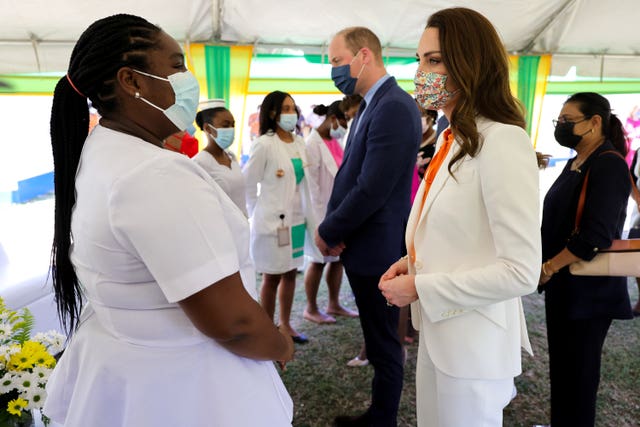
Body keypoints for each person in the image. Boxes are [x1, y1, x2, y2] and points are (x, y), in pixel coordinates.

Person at [43, 14, 294, 427]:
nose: (187, 78)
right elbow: (233, 322)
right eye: (177, 65)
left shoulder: (105, 148)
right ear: (132, 81)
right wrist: (281, 345)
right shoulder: (153, 173)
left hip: (130, 367)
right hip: (185, 389)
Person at [378, 8, 541, 426]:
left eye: (434, 60)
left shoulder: (502, 140)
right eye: (419, 60)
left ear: (471, 64)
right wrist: (412, 261)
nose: (420, 73)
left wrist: (421, 285)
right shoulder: (454, 139)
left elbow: (522, 271)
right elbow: (461, 234)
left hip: (473, 346)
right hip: (442, 333)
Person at [316, 26, 421, 426]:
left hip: (376, 247)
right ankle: (378, 414)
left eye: (337, 61)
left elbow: (372, 188)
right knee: (378, 340)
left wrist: (330, 230)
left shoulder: (393, 105)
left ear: (364, 55)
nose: (335, 71)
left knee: (383, 342)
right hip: (365, 244)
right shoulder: (371, 104)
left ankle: (382, 419)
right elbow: (354, 175)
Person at [539, 92, 634, 426]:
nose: (561, 127)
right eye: (558, 122)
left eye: (568, 122)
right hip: (566, 288)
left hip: (588, 293)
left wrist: (549, 266)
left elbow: (595, 235)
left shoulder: (608, 164)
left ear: (595, 122)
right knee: (563, 374)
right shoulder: (576, 160)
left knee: (578, 381)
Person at [244, 90, 317, 344]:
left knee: (290, 273)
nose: (291, 113)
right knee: (272, 276)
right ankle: (267, 330)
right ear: (273, 113)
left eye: (293, 108)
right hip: (273, 222)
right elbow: (248, 184)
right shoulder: (264, 144)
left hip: (297, 220)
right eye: (285, 108)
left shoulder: (299, 143)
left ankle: (286, 325)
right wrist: (256, 215)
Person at [303, 101, 358, 324]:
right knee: (318, 261)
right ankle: (311, 308)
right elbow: (312, 187)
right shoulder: (312, 143)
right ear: (333, 118)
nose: (345, 126)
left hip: (337, 212)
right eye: (344, 121)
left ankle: (333, 303)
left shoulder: (334, 142)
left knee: (337, 260)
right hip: (320, 211)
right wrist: (319, 223)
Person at [193, 99, 247, 216]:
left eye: (233, 125)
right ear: (207, 128)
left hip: (242, 228)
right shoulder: (199, 163)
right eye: (225, 125)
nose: (231, 129)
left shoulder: (231, 157)